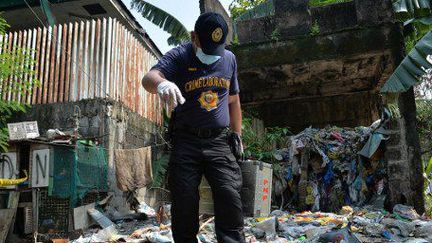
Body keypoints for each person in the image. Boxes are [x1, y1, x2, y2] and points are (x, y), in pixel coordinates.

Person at [142, 12, 245, 243]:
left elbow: (233, 100)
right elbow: (149, 77)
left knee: (230, 195)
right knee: (185, 199)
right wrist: (162, 84)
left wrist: (237, 135)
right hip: (186, 141)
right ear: (194, 37)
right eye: (207, 47)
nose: (212, 56)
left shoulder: (229, 59)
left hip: (218, 141)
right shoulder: (180, 55)